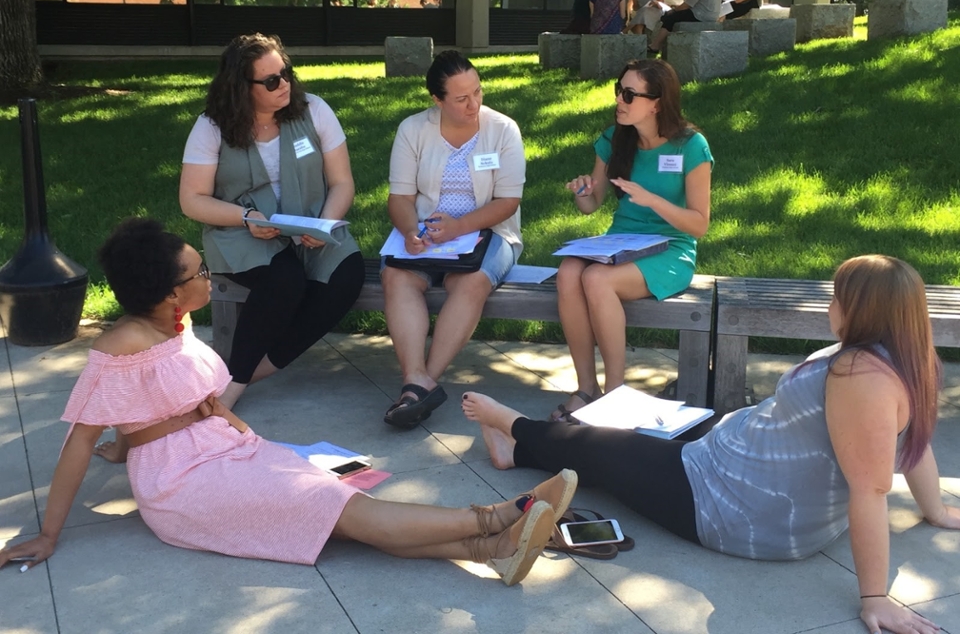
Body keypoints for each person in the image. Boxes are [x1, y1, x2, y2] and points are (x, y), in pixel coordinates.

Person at [0, 219, 577, 586]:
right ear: (172, 292)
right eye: (199, 271)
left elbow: (146, 406)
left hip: (225, 450)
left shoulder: (174, 322)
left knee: (340, 513)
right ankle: (503, 515)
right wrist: (50, 532)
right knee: (350, 514)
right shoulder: (122, 345)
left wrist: (126, 446)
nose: (209, 275)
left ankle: (491, 548)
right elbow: (80, 438)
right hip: (185, 483)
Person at [462, 253, 960, 634]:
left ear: (861, 310)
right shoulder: (909, 357)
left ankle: (514, 426)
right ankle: (521, 454)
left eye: (836, 297)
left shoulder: (860, 377)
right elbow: (915, 441)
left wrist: (874, 597)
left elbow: (871, 490)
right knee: (635, 426)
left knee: (599, 444)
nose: (829, 305)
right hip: (732, 461)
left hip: (732, 505)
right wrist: (934, 510)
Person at [179, 33, 364, 410]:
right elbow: (191, 200)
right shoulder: (211, 126)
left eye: (286, 73)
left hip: (309, 223)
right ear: (240, 88)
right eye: (271, 80)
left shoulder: (314, 109)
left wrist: (325, 224)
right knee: (285, 281)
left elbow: (343, 182)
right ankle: (232, 389)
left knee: (348, 274)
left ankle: (247, 370)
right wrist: (244, 218)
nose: (285, 85)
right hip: (241, 231)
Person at [550, 59, 712, 420]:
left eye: (629, 94)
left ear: (656, 102)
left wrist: (653, 199)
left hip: (671, 249)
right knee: (567, 272)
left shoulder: (691, 146)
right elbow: (591, 205)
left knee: (595, 279)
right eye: (618, 91)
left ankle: (614, 396)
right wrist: (581, 191)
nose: (619, 101)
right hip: (620, 243)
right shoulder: (613, 139)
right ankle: (586, 388)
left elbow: (699, 225)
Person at [381, 51, 526, 429]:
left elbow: (508, 202)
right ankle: (416, 380)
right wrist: (411, 231)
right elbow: (399, 198)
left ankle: (421, 383)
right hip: (427, 231)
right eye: (461, 98)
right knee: (397, 276)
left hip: (488, 231)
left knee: (471, 281)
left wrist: (459, 227)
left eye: (477, 92)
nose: (474, 104)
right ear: (437, 100)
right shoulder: (413, 129)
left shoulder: (503, 129)